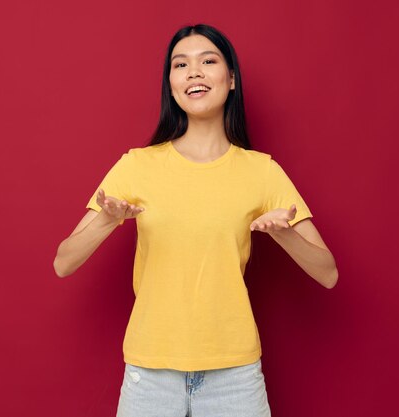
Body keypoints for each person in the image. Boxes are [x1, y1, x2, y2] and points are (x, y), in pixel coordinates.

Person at [53, 23, 338, 417]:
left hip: (234, 376)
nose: (194, 72)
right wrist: (106, 220)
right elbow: (63, 262)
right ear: (171, 83)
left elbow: (328, 273)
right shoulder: (137, 165)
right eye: (180, 64)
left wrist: (284, 234)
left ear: (231, 79)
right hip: (150, 374)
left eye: (208, 61)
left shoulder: (262, 172)